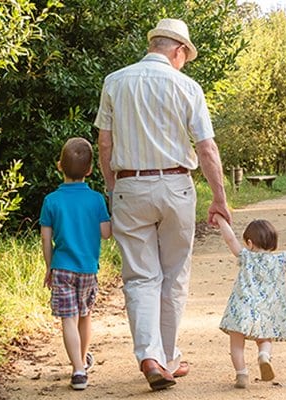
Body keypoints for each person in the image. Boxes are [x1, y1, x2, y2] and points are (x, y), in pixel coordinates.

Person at [94, 18, 232, 391]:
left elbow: (104, 144)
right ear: (178, 50)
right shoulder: (187, 86)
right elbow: (206, 147)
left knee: (140, 277)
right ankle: (168, 357)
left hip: (129, 185)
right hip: (175, 186)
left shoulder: (115, 81)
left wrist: (114, 189)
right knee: (174, 276)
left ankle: (150, 356)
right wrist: (219, 198)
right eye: (185, 56)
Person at [39, 137, 113, 391]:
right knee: (85, 315)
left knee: (68, 319)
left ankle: (78, 369)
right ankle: (81, 360)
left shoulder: (51, 201)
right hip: (88, 269)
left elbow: (46, 238)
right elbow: (106, 233)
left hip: (61, 267)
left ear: (59, 166)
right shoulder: (95, 200)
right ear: (90, 170)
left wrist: (49, 267)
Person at [212, 218, 286, 388]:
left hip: (242, 309)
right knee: (265, 339)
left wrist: (221, 221)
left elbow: (230, 240)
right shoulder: (280, 260)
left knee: (237, 343)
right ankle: (264, 356)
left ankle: (241, 374)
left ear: (249, 243)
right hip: (267, 311)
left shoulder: (246, 257)